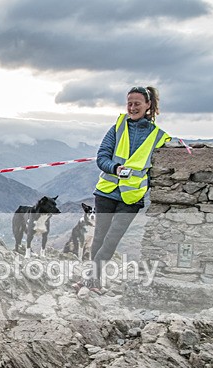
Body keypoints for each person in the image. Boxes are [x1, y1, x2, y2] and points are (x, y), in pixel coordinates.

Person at [77, 86, 170, 292]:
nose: (132, 107)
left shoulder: (159, 137)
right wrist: (115, 168)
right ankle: (94, 282)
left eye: (137, 104)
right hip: (106, 191)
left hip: (132, 197)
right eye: (129, 103)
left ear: (148, 105)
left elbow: (163, 165)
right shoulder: (117, 128)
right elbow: (102, 157)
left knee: (111, 240)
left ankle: (89, 280)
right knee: (99, 238)